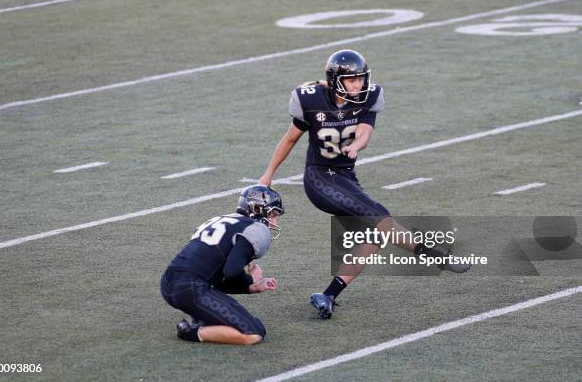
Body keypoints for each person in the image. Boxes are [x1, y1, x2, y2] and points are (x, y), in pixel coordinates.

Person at [258, 49, 470, 320]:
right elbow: (289, 139)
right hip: (319, 177)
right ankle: (438, 256)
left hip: (345, 178)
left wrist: (356, 146)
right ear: (336, 80)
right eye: (352, 80)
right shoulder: (311, 100)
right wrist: (268, 175)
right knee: (379, 216)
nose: (358, 85)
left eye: (361, 78)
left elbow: (364, 132)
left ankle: (328, 295)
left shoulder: (367, 98)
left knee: (374, 236)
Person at [160, 185, 284, 344]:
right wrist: (249, 279)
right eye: (273, 214)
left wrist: (249, 287)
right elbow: (231, 271)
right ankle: (190, 332)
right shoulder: (257, 229)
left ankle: (201, 318)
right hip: (192, 288)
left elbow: (215, 274)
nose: (275, 221)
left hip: (169, 282)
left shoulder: (221, 219)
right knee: (254, 332)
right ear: (258, 209)